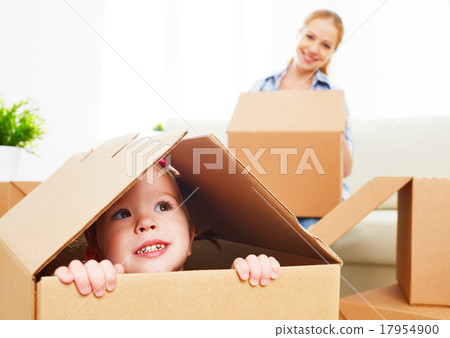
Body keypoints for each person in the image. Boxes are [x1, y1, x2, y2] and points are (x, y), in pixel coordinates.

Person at [54, 160, 280, 297]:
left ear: (191, 238)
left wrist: (254, 276)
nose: (146, 221)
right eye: (123, 214)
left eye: (163, 206)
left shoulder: (219, 292)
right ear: (95, 254)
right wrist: (82, 278)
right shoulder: (93, 286)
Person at [250, 9, 354, 230]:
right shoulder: (262, 88)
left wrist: (338, 131)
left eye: (326, 45)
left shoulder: (332, 96)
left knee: (306, 224)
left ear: (333, 52)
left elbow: (345, 171)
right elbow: (243, 151)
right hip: (270, 192)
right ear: (299, 34)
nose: (314, 49)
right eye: (310, 37)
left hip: (315, 198)